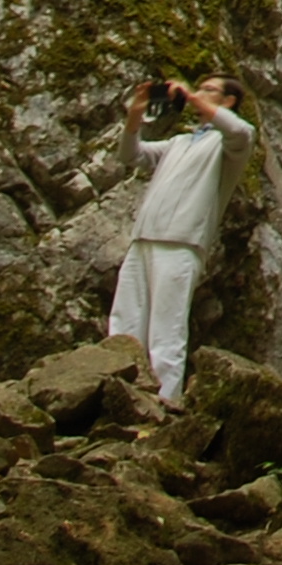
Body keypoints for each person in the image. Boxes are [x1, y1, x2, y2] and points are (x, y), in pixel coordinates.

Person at [107, 74, 254, 404]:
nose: (199, 94)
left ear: (228, 101)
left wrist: (189, 95)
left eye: (209, 90)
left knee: (166, 330)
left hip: (182, 245)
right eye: (199, 88)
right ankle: (117, 395)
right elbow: (131, 155)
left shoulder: (231, 143)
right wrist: (135, 116)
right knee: (125, 320)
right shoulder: (179, 142)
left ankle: (164, 403)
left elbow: (238, 130)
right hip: (144, 239)